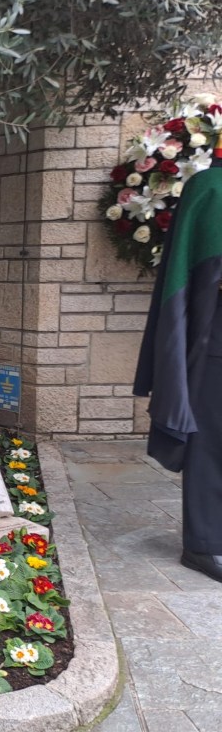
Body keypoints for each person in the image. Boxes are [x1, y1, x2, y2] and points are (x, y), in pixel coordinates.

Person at [134, 148, 222, 584]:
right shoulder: (210, 187)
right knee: (212, 442)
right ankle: (204, 543)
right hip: (215, 337)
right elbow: (193, 273)